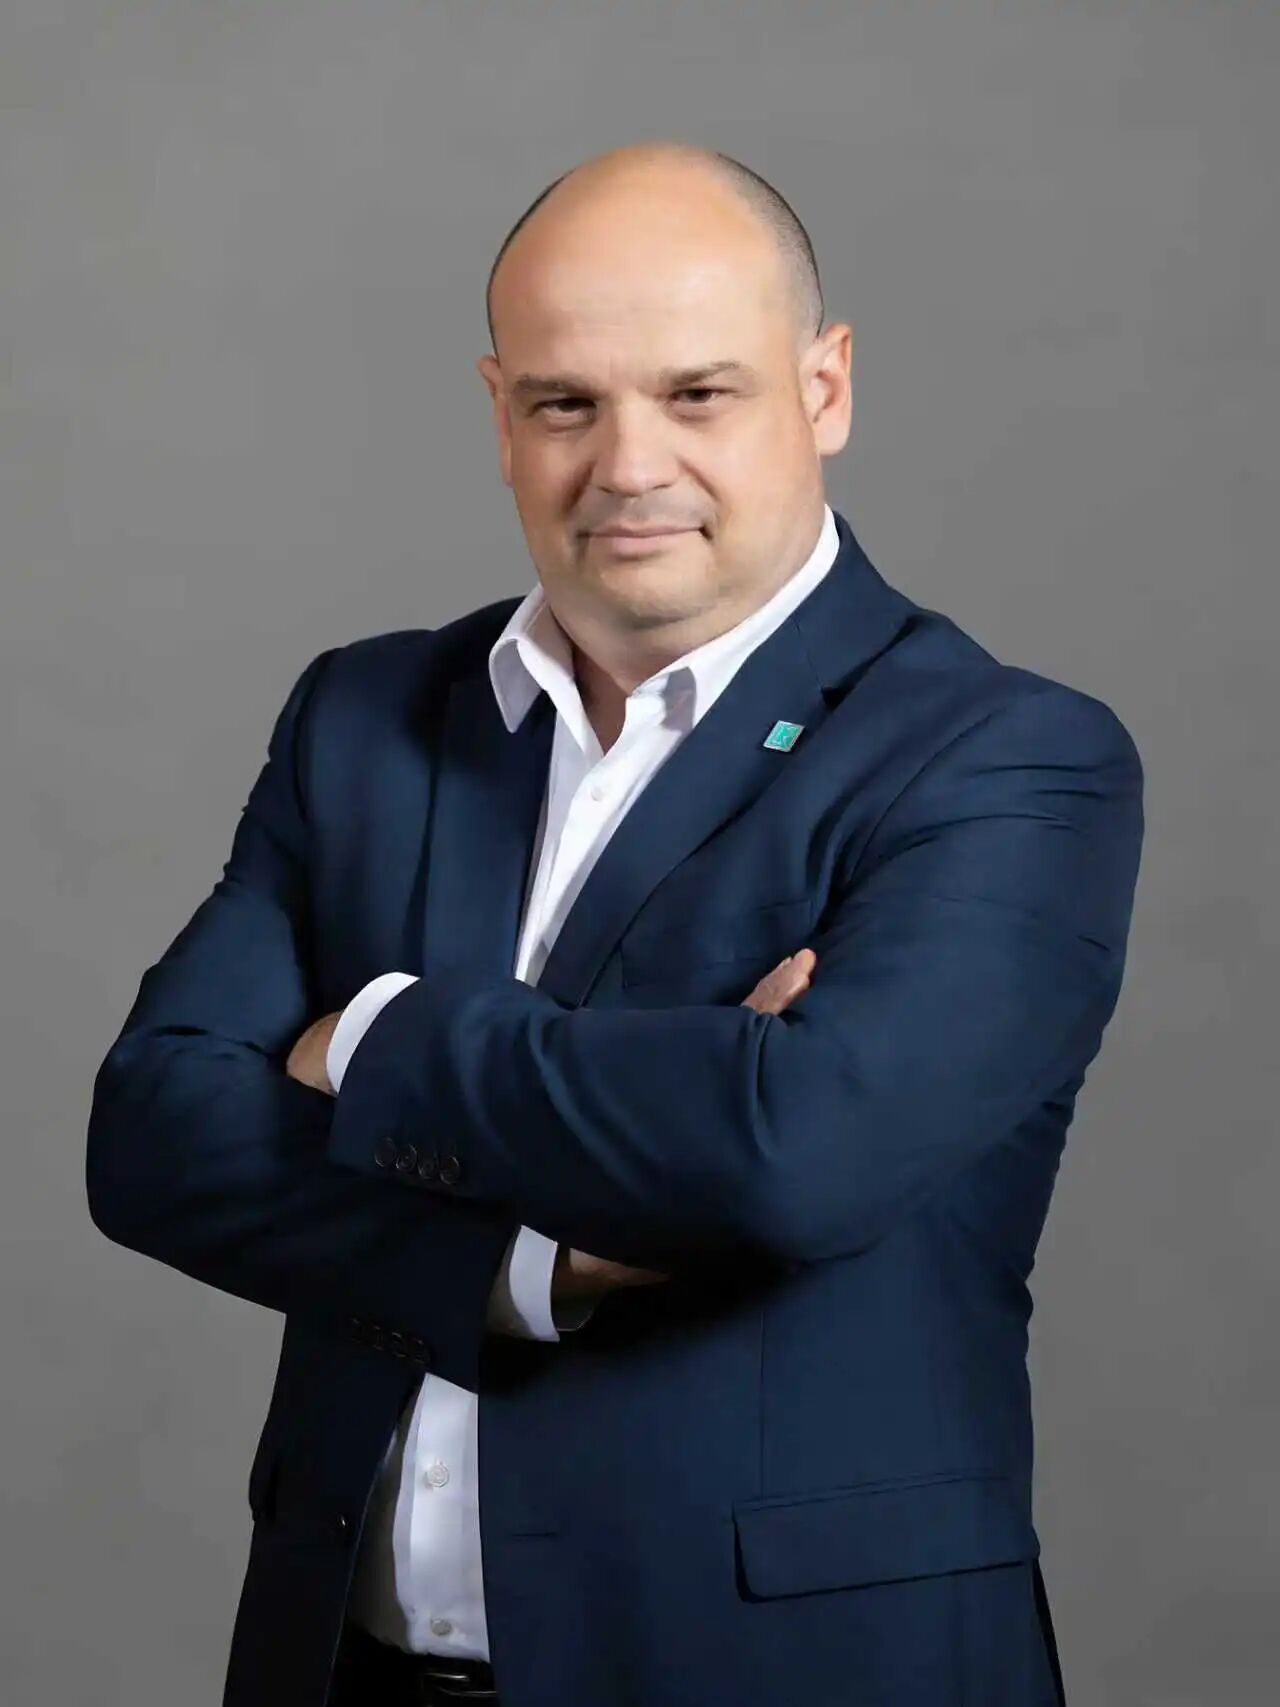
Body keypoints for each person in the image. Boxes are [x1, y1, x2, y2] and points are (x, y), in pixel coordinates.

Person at [86, 140, 1144, 1707]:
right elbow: (154, 1137)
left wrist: (368, 1035)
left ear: (825, 389)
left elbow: (792, 1152)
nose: (629, 464)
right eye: (565, 404)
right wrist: (548, 1259)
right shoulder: (366, 716)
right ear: (500, 414)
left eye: (698, 394)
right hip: (344, 1671)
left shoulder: (1006, 758)